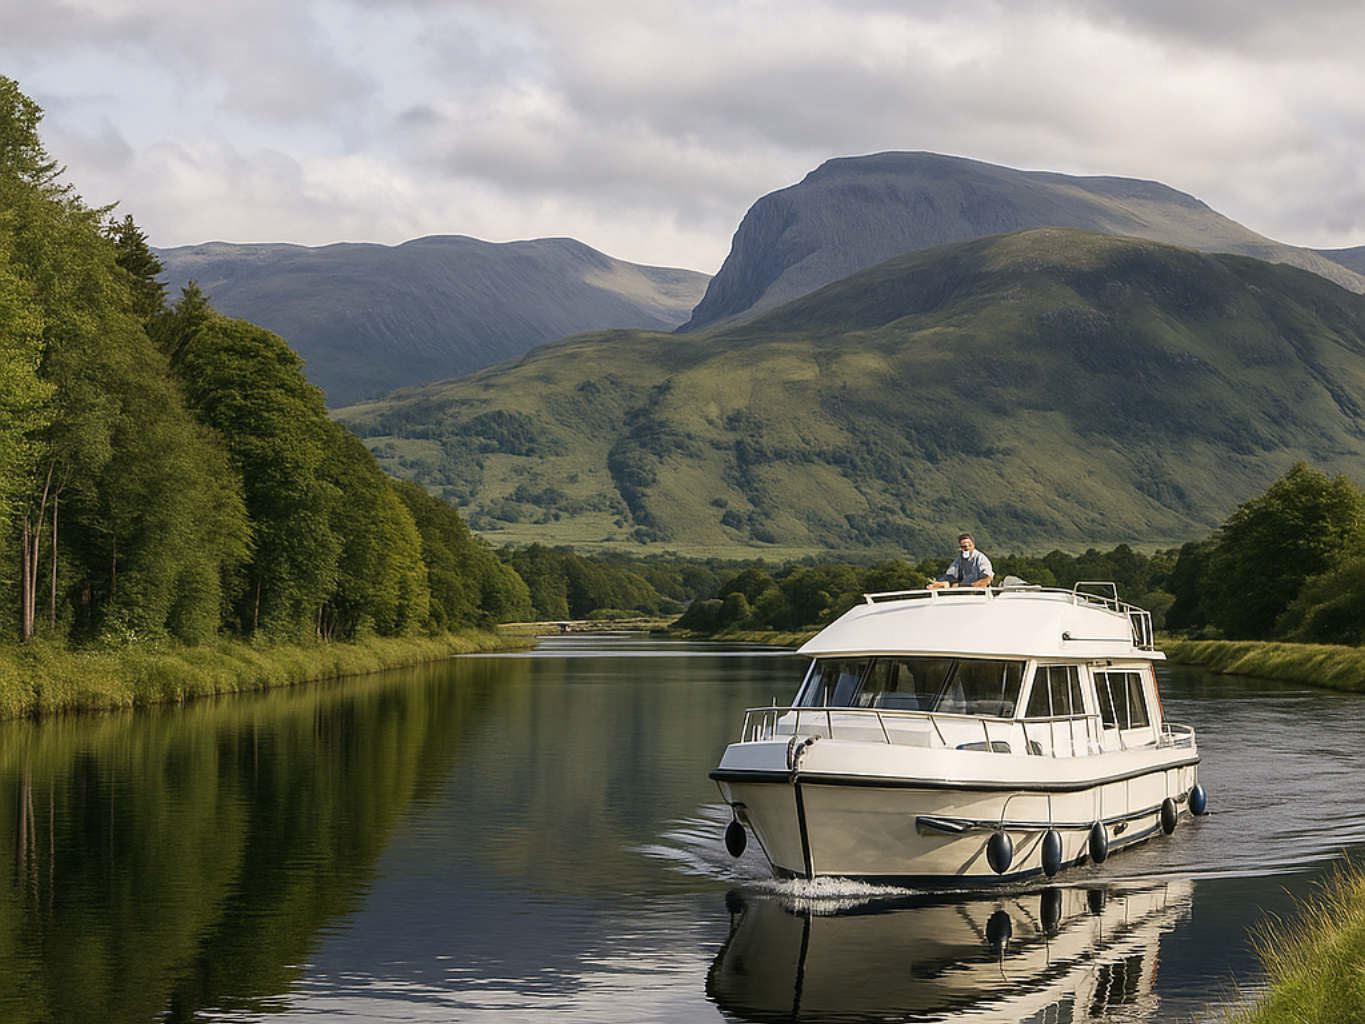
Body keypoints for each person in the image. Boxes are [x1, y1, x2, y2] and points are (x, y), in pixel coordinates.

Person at [928, 534, 994, 589]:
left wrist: (963, 586)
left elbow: (987, 579)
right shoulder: (958, 560)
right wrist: (940, 584)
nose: (967, 548)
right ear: (960, 548)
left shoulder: (981, 559)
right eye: (964, 546)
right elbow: (950, 577)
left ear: (973, 546)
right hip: (962, 595)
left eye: (969, 545)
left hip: (982, 595)